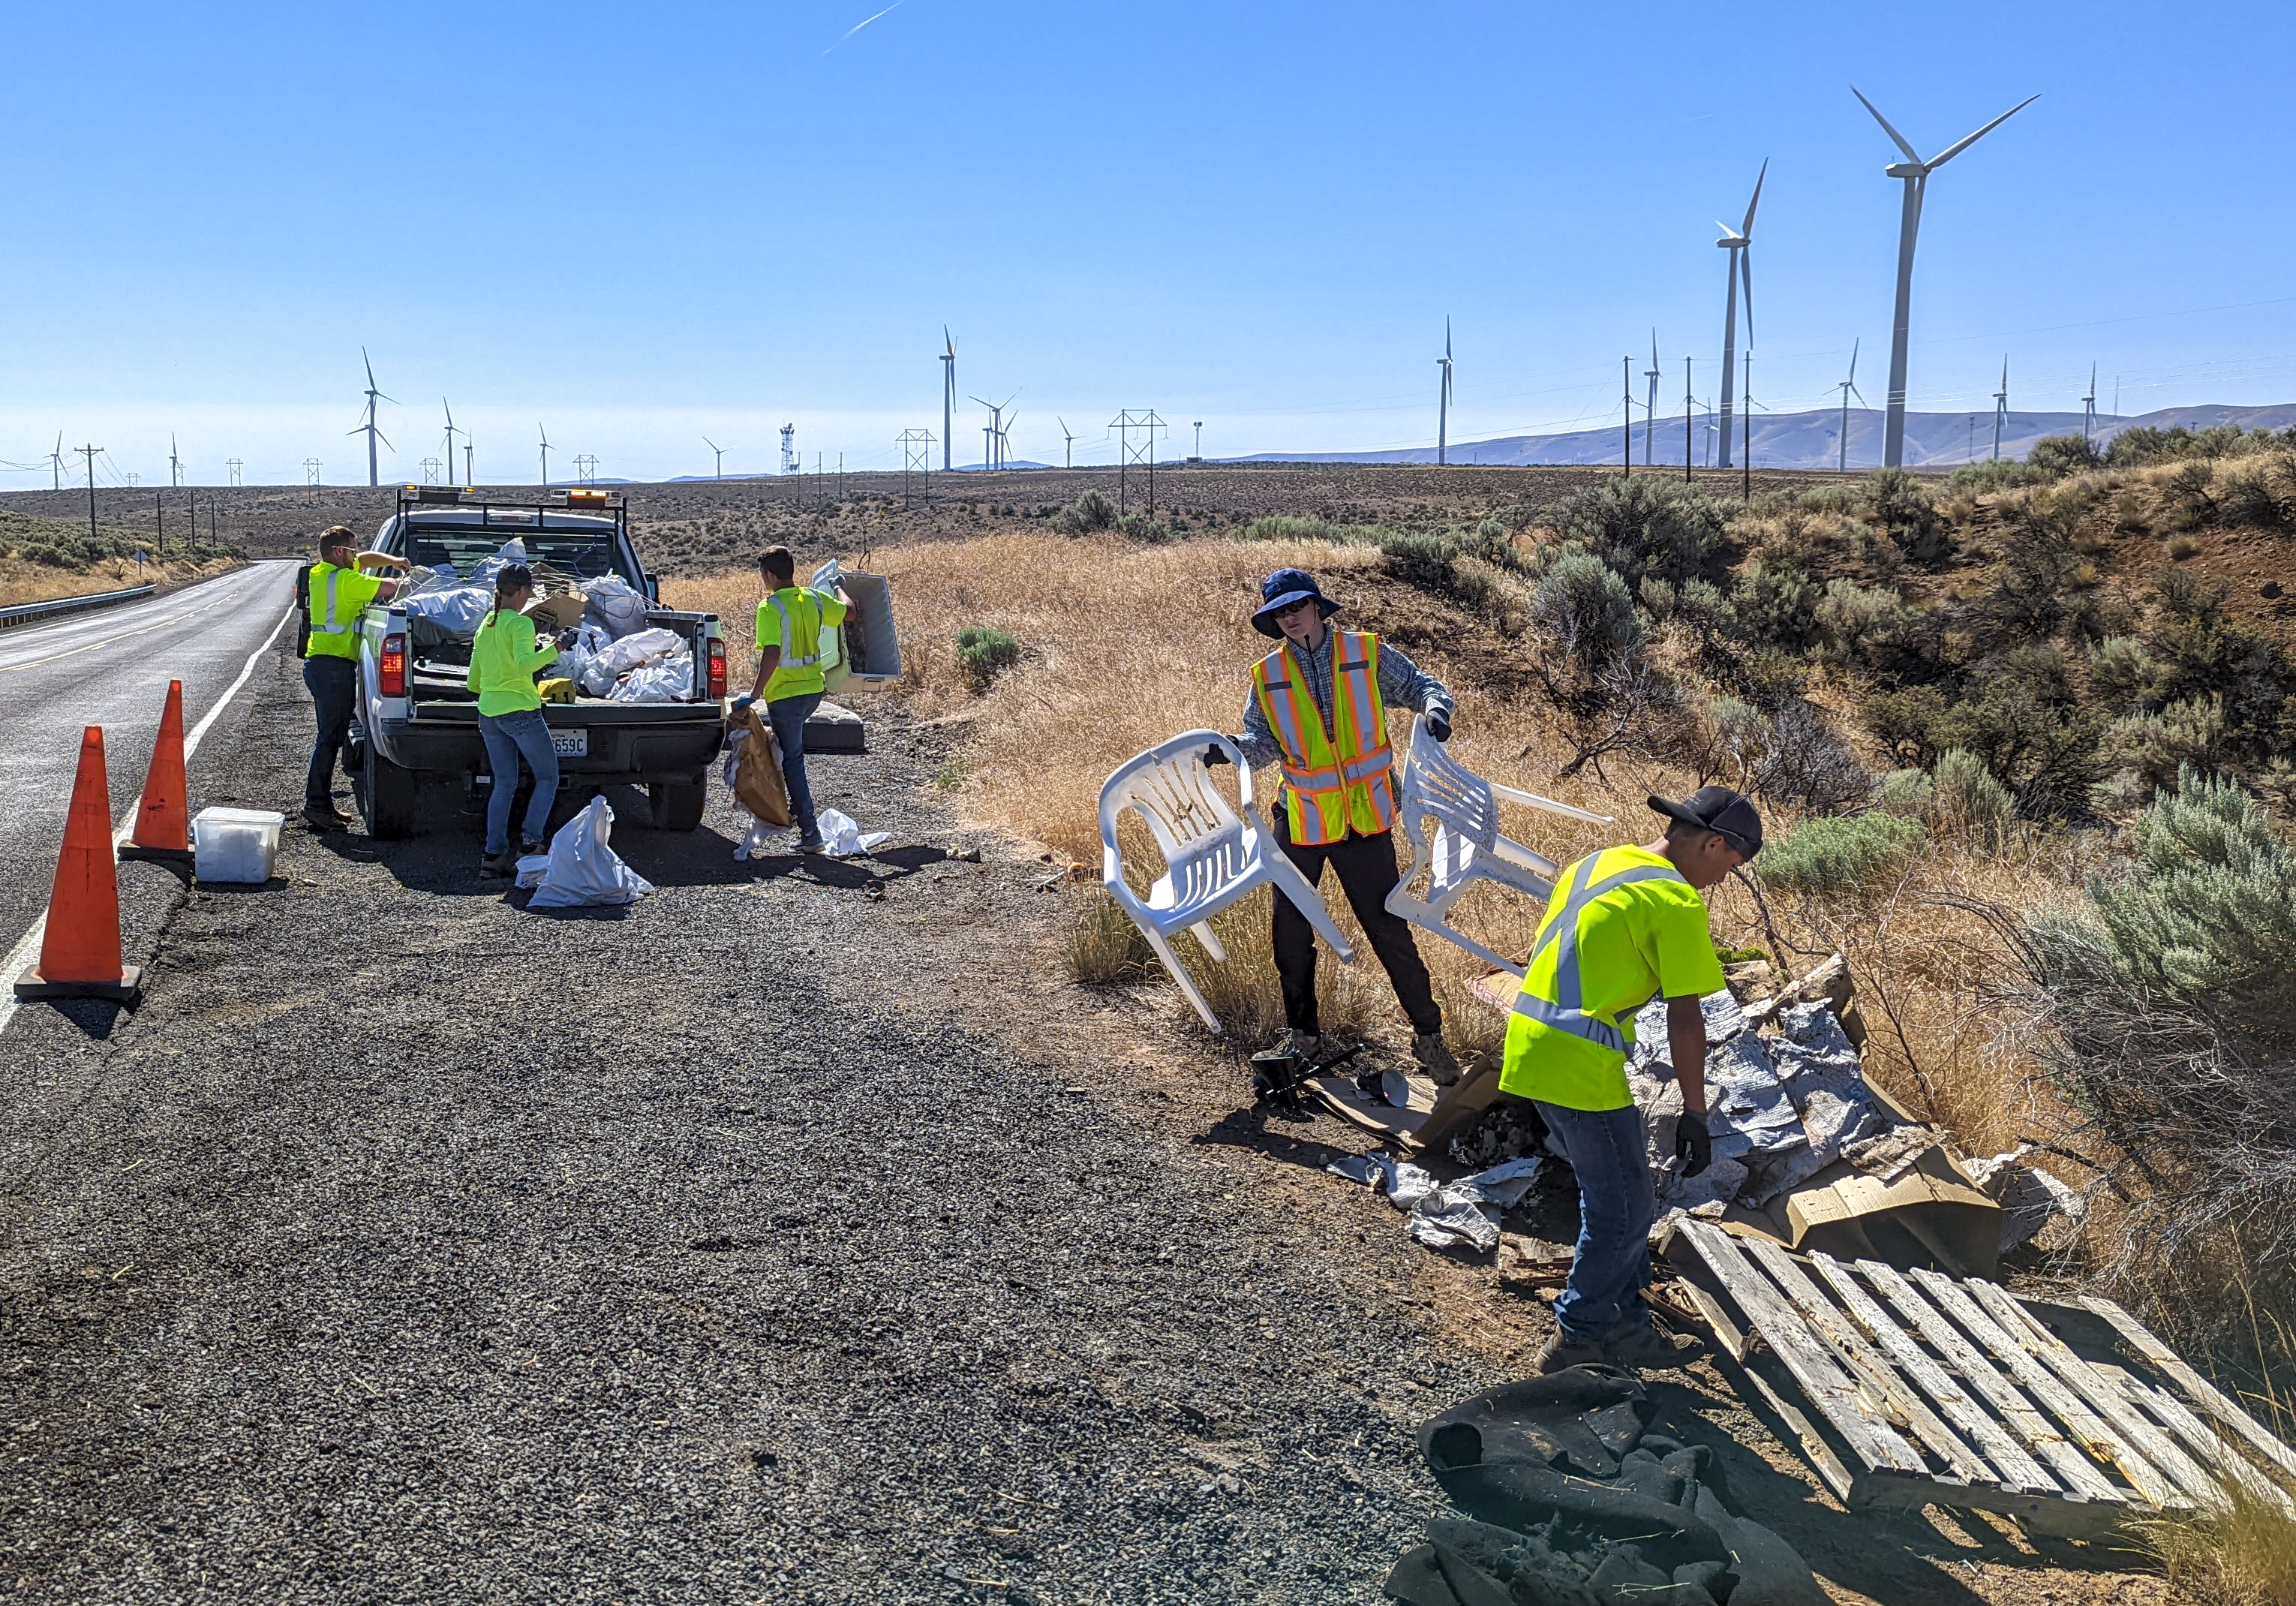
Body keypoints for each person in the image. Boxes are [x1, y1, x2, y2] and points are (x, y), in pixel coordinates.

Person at [1503, 786, 1762, 1374]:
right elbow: (1685, 1018)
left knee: (1628, 1197)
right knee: (1621, 1209)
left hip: (1531, 1045)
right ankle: (1581, 1337)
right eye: (1729, 865)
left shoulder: (1599, 862)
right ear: (1715, 843)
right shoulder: (1674, 901)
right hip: (1578, 1064)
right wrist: (1695, 1113)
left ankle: (1625, 1323)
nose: (1722, 878)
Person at [1220, 567, 1462, 1083]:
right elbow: (1262, 744)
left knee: (1388, 931)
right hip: (1303, 820)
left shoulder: (1364, 653)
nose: (1289, 618)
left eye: (1297, 606)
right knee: (1289, 933)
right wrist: (1227, 752)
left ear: (1317, 607)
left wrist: (1437, 709)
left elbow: (1421, 686)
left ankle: (1430, 1038)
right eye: (1279, 612)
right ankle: (1304, 1036)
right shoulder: (1267, 676)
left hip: (1365, 819)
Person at [733, 546, 849, 854]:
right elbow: (849, 611)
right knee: (788, 752)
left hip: (786, 696)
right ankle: (796, 816)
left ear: (770, 575)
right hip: (813, 691)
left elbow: (772, 653)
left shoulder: (770, 607)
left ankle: (810, 834)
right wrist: (839, 586)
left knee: (793, 760)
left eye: (762, 575)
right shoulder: (813, 597)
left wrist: (754, 695)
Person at [466, 562, 566, 878]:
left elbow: (473, 682)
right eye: (529, 592)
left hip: (489, 713)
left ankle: (493, 856)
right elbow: (525, 665)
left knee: (504, 783)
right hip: (520, 711)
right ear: (521, 591)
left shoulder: (486, 625)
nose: (529, 598)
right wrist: (557, 649)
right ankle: (531, 843)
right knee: (548, 777)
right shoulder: (521, 625)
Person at [302, 525, 404, 830]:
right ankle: (317, 805)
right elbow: (389, 588)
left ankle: (320, 804)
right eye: (352, 551)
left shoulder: (323, 573)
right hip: (333, 669)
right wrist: (406, 578)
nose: (357, 556)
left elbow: (369, 560)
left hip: (321, 664)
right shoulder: (346, 580)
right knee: (329, 739)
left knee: (329, 738)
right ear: (339, 552)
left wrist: (394, 560)